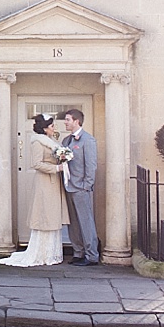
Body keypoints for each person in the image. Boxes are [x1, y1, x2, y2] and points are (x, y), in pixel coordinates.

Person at [0, 113, 68, 267]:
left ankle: (52, 252)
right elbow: (36, 163)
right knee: (45, 216)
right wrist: (57, 167)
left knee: (52, 216)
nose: (54, 128)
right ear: (44, 129)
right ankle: (42, 253)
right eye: (51, 126)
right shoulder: (38, 142)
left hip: (54, 182)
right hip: (45, 183)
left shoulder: (51, 141)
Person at [61, 108, 99, 266]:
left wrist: (86, 185)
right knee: (73, 223)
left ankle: (91, 256)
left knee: (85, 222)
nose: (65, 122)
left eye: (68, 120)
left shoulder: (87, 140)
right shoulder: (65, 140)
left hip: (80, 188)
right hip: (68, 186)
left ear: (77, 121)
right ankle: (78, 252)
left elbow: (91, 166)